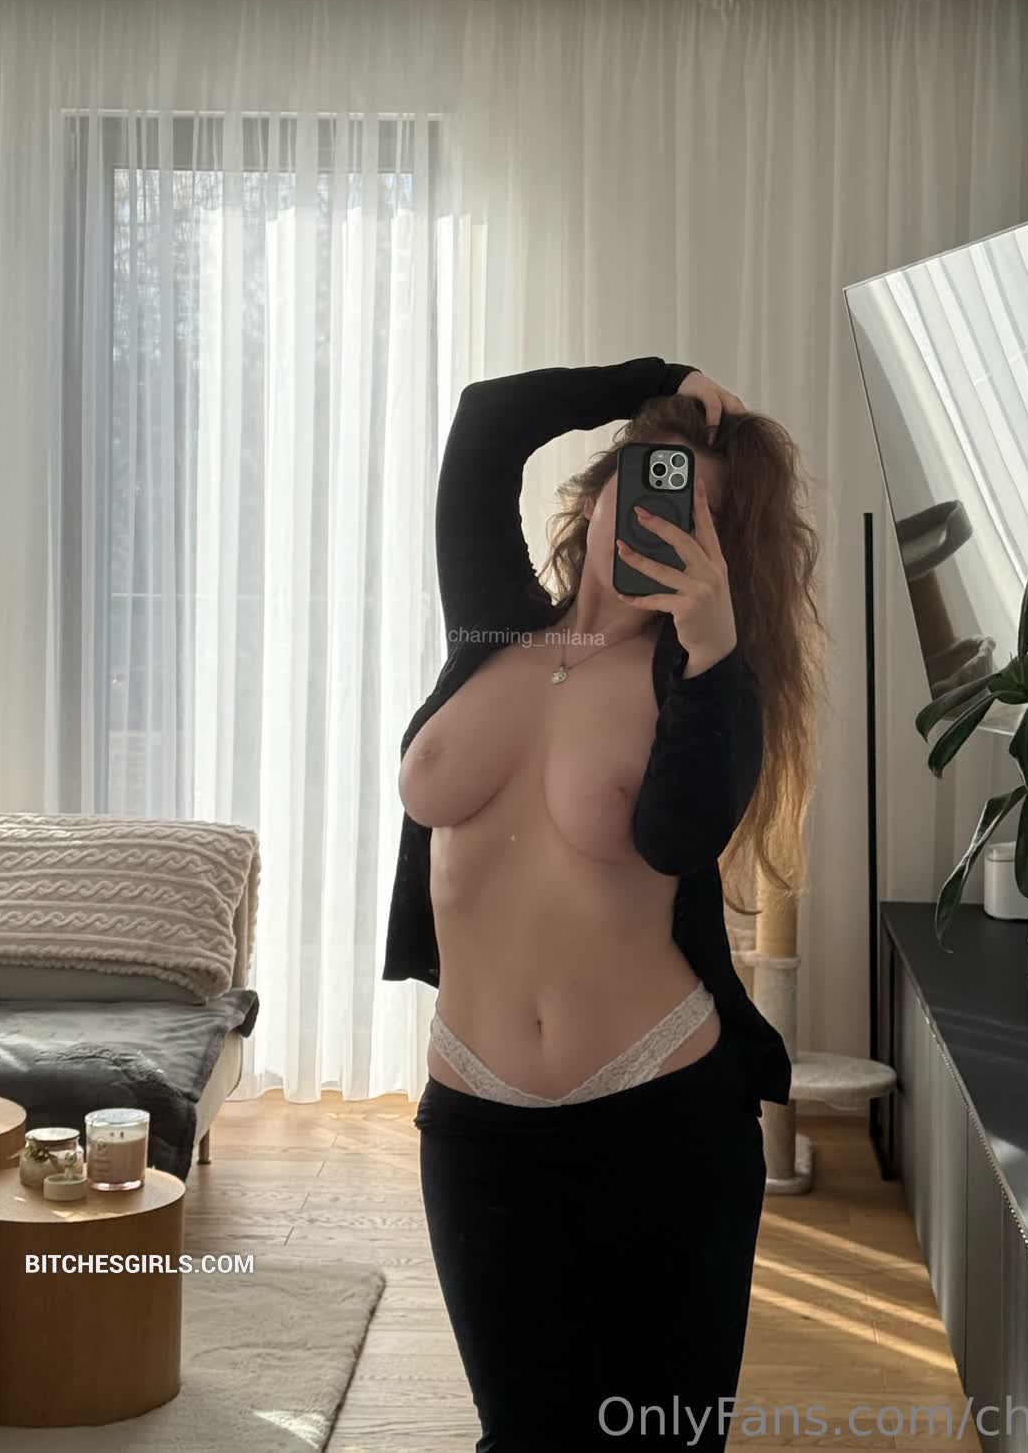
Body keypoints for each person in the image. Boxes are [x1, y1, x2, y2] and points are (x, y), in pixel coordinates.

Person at [383, 356, 822, 1452]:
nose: (652, 515)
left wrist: (712, 646)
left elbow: (679, 839)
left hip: (660, 1113)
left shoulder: (702, 681)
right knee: (519, 1435)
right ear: (600, 486)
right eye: (646, 478)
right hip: (474, 1116)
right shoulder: (492, 628)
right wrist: (663, 377)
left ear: (727, 550)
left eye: (692, 514)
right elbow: (487, 420)